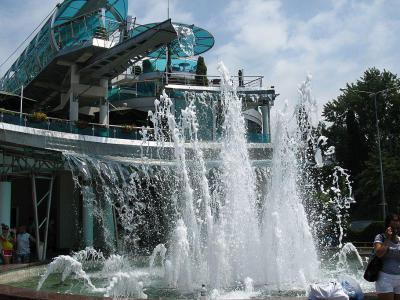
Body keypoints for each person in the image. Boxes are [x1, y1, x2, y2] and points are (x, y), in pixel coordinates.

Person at [374, 213, 400, 300]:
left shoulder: (399, 239)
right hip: (385, 278)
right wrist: (387, 239)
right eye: (393, 226)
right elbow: (379, 253)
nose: (395, 229)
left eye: (397, 226)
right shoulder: (380, 237)